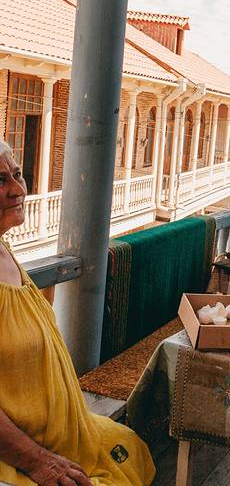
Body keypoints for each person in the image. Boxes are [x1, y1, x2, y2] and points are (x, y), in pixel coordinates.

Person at [0, 143, 155, 485]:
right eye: (0, 180)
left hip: (68, 435)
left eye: (17, 174)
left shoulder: (4, 250)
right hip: (22, 455)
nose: (17, 189)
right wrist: (37, 461)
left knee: (131, 446)